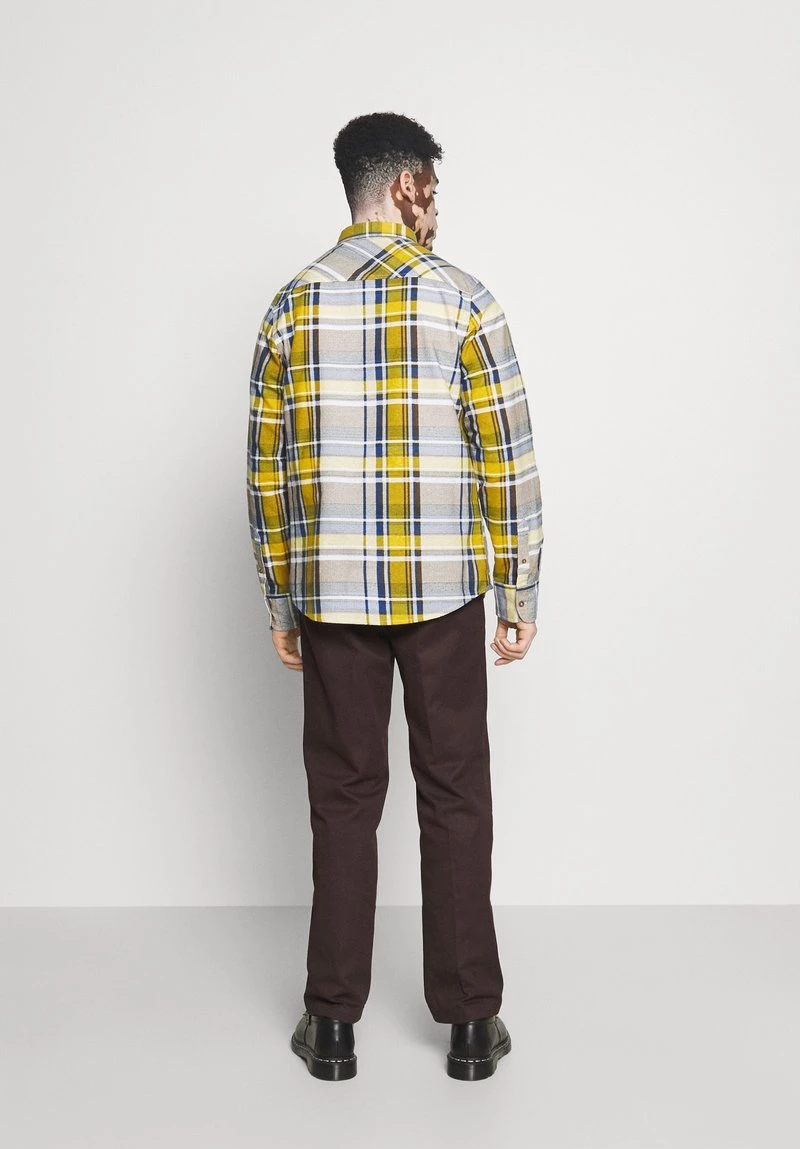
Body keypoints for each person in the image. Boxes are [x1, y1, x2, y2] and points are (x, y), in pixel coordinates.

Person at [246, 111, 544, 1082]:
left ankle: (331, 1023)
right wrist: (519, 585)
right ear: (409, 186)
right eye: (434, 191)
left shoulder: (292, 306)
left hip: (331, 597)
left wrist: (280, 599)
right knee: (454, 791)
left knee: (342, 798)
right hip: (444, 594)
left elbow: (266, 472)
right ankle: (470, 1024)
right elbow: (506, 455)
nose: (437, 209)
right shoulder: (463, 299)